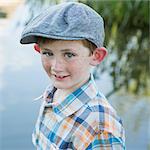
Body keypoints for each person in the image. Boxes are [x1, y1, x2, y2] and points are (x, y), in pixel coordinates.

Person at [20, 2, 125, 150]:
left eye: (69, 54)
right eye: (48, 53)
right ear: (38, 49)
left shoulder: (100, 128)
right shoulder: (54, 92)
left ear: (96, 56)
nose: (56, 67)